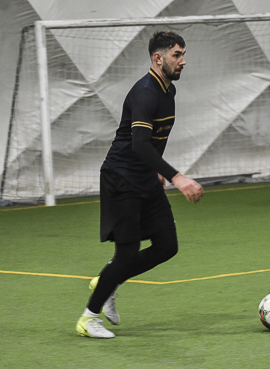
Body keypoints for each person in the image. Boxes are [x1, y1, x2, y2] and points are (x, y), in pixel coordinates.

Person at [76, 31, 204, 338]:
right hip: (121, 179)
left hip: (145, 177)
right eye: (176, 55)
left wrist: (156, 171)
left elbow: (154, 140)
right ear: (158, 58)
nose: (183, 61)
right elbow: (140, 144)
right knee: (127, 254)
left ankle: (108, 279)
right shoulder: (145, 92)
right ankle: (88, 319)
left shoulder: (168, 91)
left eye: (183, 54)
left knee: (167, 246)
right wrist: (176, 177)